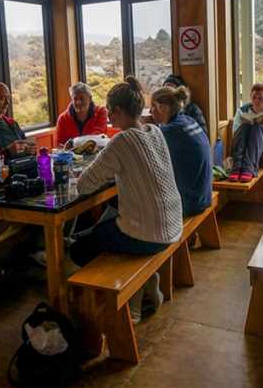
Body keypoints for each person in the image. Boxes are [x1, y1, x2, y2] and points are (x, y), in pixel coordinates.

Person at [71, 76, 183, 321]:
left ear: (120, 111)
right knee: (105, 224)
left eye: (110, 112)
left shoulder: (122, 140)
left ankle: (114, 297)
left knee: (78, 248)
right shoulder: (154, 131)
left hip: (148, 234)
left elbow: (84, 185)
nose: (109, 117)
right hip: (173, 224)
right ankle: (147, 280)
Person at [150, 85, 212, 217]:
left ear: (164, 108)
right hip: (204, 196)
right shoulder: (188, 120)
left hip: (190, 203)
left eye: (153, 106)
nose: (150, 111)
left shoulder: (169, 131)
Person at [229, 82, 263, 183]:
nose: (256, 100)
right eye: (254, 97)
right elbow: (235, 135)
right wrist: (250, 126)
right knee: (246, 125)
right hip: (242, 155)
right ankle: (237, 168)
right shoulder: (241, 111)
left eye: (260, 98)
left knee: (257, 127)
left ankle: (248, 169)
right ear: (250, 96)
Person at [55, 81, 109, 146]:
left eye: (81, 98)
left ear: (90, 99)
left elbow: (97, 137)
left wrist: (73, 142)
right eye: (75, 99)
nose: (78, 102)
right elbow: (60, 144)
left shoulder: (101, 112)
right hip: (71, 155)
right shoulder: (63, 118)